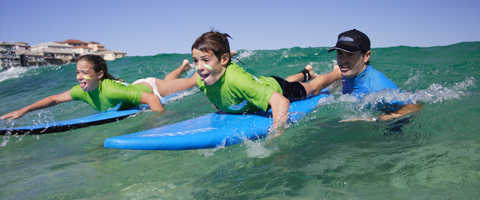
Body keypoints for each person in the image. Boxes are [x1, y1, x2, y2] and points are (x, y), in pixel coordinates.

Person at [191, 30, 341, 137]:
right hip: (266, 84)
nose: (199, 67)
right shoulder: (203, 80)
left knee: (312, 89)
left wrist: (276, 135)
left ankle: (336, 73)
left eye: (205, 60)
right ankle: (306, 73)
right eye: (196, 61)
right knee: (288, 81)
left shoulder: (237, 81)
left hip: (280, 89)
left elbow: (281, 102)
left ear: (224, 60)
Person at [1, 54, 198, 120]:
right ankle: (183, 66)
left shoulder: (110, 89)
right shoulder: (82, 90)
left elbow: (153, 99)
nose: (80, 77)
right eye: (77, 72)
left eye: (85, 72)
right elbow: (54, 99)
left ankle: (205, 65)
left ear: (99, 75)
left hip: (151, 88)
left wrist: (157, 123)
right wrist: (24, 110)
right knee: (173, 80)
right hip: (133, 89)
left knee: (191, 83)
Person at [294, 29, 423, 122]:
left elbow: (415, 106)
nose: (343, 60)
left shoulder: (377, 84)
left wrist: (374, 119)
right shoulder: (348, 72)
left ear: (366, 56)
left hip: (393, 125)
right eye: (340, 53)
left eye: (350, 54)